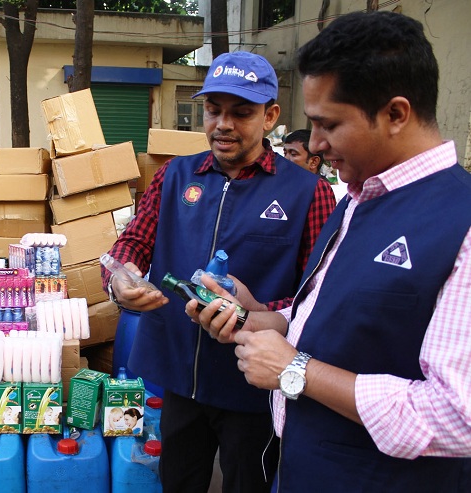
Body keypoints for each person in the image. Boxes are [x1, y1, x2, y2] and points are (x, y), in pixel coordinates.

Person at [190, 11, 471, 492]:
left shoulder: (460, 225)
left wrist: (295, 371)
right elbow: (339, 316)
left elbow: (456, 416)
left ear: (395, 114)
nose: (314, 144)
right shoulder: (358, 199)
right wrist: (259, 316)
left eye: (328, 125)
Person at [102, 50, 335, 492]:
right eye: (213, 111)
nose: (223, 124)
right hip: (177, 376)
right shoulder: (174, 175)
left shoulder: (309, 192)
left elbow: (317, 296)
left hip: (254, 384)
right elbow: (132, 243)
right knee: (178, 481)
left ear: (270, 117)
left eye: (241, 113)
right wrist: (121, 278)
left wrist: (259, 312)